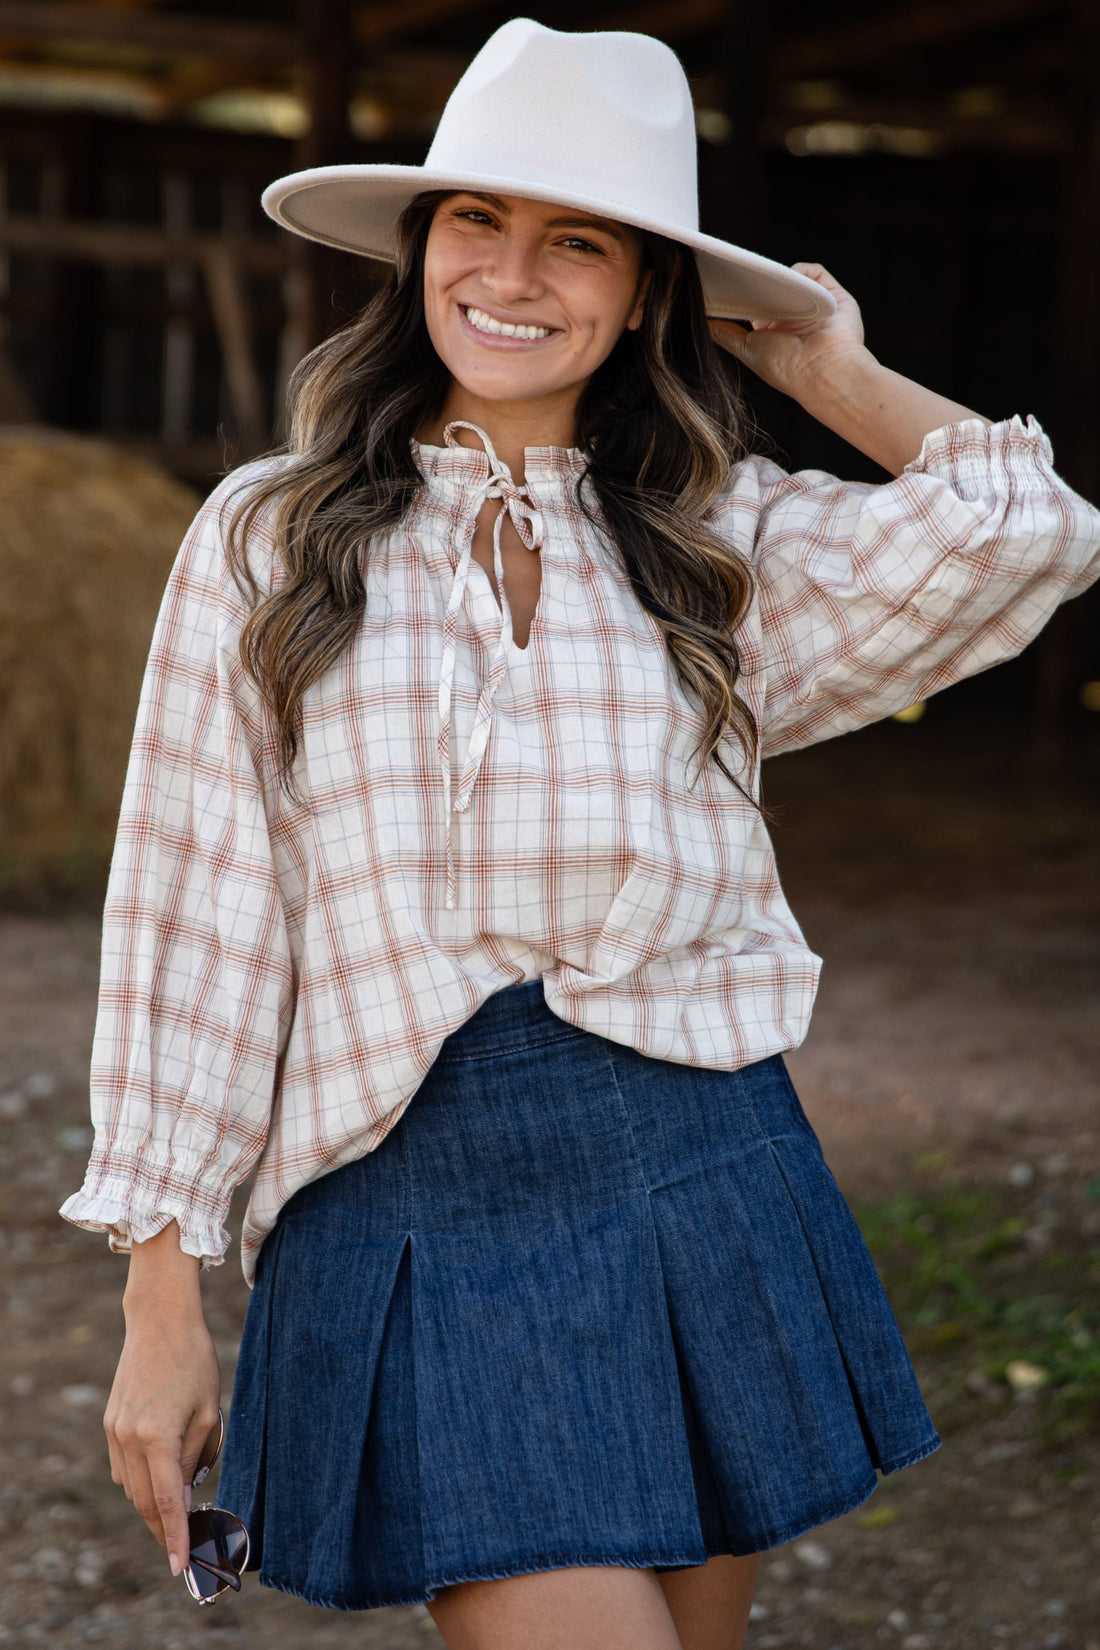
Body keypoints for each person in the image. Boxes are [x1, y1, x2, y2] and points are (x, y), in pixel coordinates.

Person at [60, 19, 1099, 1650]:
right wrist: (160, 1295)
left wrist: (824, 366)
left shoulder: (714, 541)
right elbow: (196, 914)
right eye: (476, 220)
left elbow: (1030, 534)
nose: (514, 273)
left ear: (642, 291)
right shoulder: (272, 536)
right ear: (419, 250)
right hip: (418, 1193)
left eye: (579, 239)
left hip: (703, 1163)